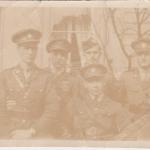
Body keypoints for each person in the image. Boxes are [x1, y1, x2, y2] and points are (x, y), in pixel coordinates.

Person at [0, 28, 50, 139]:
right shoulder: (5, 76)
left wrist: (33, 130)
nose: (30, 53)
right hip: (10, 132)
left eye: (33, 49)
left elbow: (52, 109)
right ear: (18, 49)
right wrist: (11, 131)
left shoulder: (46, 77)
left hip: (37, 131)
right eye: (26, 48)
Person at [72, 64, 133, 140]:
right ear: (85, 84)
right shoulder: (77, 105)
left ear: (104, 83)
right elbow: (73, 131)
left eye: (98, 81)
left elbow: (127, 133)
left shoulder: (115, 106)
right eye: (91, 81)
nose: (95, 85)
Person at [43, 39, 76, 139]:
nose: (59, 58)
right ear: (50, 56)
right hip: (43, 124)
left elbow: (74, 105)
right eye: (56, 54)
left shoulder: (73, 79)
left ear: (67, 58)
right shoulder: (41, 75)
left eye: (63, 55)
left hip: (64, 126)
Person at [82, 37, 123, 104]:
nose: (92, 56)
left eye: (95, 53)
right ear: (84, 55)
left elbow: (116, 98)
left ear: (100, 54)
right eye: (88, 53)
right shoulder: (78, 76)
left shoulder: (108, 75)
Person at [120, 39, 150, 119]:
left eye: (147, 54)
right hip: (134, 122)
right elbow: (120, 101)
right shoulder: (126, 76)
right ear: (136, 56)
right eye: (140, 54)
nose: (143, 58)